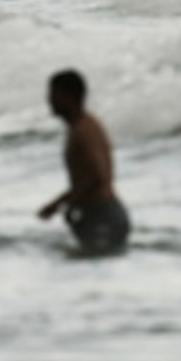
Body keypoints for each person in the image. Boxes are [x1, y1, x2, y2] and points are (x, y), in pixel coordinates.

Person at [37, 69, 130, 254]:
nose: (49, 100)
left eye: (53, 94)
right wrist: (62, 204)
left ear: (68, 96)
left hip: (103, 215)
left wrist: (63, 204)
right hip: (99, 214)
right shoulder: (81, 126)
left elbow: (97, 176)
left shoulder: (84, 130)